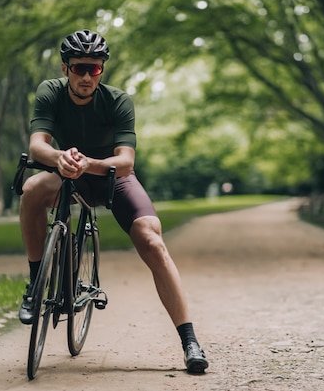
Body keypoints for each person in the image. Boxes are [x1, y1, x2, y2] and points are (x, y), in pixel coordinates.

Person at [17, 29, 209, 373]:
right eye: (79, 68)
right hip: (66, 172)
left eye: (95, 69)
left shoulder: (118, 100)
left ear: (102, 70)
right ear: (65, 69)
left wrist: (88, 164)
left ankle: (190, 340)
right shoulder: (49, 92)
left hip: (110, 176)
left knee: (152, 239)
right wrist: (60, 158)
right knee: (32, 190)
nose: (87, 76)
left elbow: (126, 162)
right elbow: (37, 145)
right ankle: (35, 284)